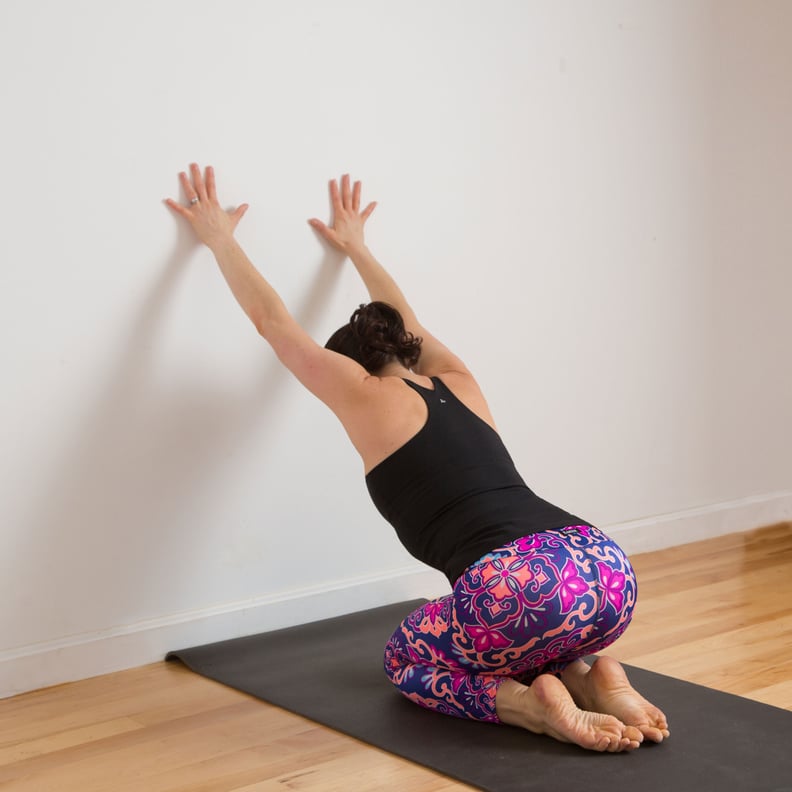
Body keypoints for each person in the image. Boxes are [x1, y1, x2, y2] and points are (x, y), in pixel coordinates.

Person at [165, 164, 670, 752]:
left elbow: (273, 323)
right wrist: (357, 247)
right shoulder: (460, 380)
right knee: (532, 629)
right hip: (604, 569)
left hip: (520, 585)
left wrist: (220, 238)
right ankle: (590, 675)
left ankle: (532, 708)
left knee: (408, 659)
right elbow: (408, 318)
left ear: (353, 364)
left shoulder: (364, 394)